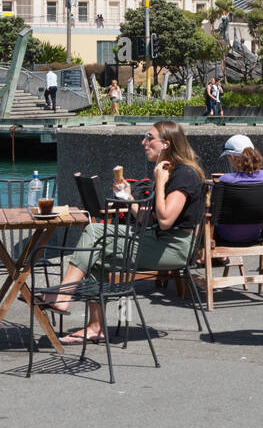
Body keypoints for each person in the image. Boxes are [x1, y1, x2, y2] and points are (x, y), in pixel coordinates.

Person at [44, 121, 206, 342]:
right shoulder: (171, 172)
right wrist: (128, 198)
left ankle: (63, 295)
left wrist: (159, 183)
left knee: (93, 231)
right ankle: (96, 327)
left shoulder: (183, 174)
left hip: (175, 247)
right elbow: (149, 220)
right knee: (95, 256)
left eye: (149, 138)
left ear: (166, 144)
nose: (144, 142)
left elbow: (166, 220)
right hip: (159, 240)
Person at [214, 135, 263, 245]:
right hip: (256, 235)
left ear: (232, 157)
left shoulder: (224, 180)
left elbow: (212, 206)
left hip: (226, 237)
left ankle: (213, 258)